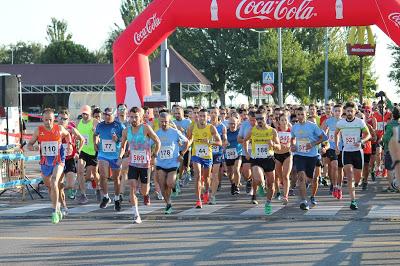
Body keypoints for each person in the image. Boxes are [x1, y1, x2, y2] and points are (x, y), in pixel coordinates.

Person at [27, 108, 72, 224]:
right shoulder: (38, 130)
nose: (48, 122)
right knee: (50, 187)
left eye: (50, 120)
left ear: (54, 119)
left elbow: (68, 135)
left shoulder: (60, 129)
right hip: (45, 162)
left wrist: (70, 145)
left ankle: (55, 211)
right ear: (42, 119)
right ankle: (58, 204)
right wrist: (34, 147)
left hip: (58, 160)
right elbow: (29, 145)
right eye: (46, 120)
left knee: (54, 181)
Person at [120, 107, 160, 224]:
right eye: (131, 117)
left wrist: (154, 155)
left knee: (144, 191)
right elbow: (123, 146)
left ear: (141, 117)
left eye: (136, 117)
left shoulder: (146, 128)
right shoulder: (126, 131)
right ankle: (136, 214)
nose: (133, 119)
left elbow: (157, 141)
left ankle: (146, 195)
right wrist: (120, 156)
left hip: (145, 165)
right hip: (133, 164)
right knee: (132, 187)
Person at [335, 102, 371, 210]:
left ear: (355, 111)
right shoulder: (341, 123)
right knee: (349, 175)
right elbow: (336, 133)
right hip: (346, 152)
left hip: (357, 152)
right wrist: (337, 146)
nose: (349, 113)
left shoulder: (360, 122)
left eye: (351, 111)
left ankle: (357, 183)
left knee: (357, 178)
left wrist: (362, 141)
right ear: (345, 111)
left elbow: (368, 134)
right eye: (348, 111)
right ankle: (353, 201)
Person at [244, 110, 280, 215]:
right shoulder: (252, 130)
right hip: (256, 159)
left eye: (261, 118)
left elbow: (279, 146)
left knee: (271, 184)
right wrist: (246, 152)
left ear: (266, 118)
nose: (259, 120)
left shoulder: (272, 131)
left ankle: (268, 203)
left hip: (269, 158)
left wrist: (273, 144)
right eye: (257, 118)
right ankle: (260, 186)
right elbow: (245, 140)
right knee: (258, 178)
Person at [291, 107, 327, 211]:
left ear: (306, 114)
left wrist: (313, 144)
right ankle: (303, 201)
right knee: (301, 177)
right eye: (298, 115)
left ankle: (310, 191)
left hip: (312, 156)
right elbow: (292, 138)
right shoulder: (294, 127)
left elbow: (324, 138)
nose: (300, 116)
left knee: (311, 179)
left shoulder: (313, 126)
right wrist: (292, 145)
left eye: (302, 114)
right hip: (299, 155)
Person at [187, 109, 222, 208]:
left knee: (206, 178)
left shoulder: (211, 128)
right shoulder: (192, 127)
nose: (202, 118)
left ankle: (206, 191)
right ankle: (198, 200)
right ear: (198, 116)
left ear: (208, 117)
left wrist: (210, 142)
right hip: (196, 155)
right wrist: (185, 147)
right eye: (200, 115)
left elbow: (220, 143)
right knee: (197, 176)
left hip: (207, 156)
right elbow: (189, 139)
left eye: (204, 116)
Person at [155, 112, 189, 214]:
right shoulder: (156, 133)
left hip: (173, 163)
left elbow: (186, 142)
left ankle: (175, 185)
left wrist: (182, 154)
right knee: (162, 185)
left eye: (166, 122)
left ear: (169, 122)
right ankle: (168, 204)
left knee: (169, 183)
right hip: (160, 163)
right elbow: (149, 144)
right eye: (162, 122)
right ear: (159, 122)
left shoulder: (175, 132)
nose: (164, 124)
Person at [95, 107, 125, 211]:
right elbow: (95, 134)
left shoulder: (119, 125)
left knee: (116, 178)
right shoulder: (100, 125)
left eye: (109, 115)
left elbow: (124, 139)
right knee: (103, 176)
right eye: (105, 115)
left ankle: (117, 198)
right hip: (103, 154)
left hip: (115, 155)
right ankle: (106, 197)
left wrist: (117, 139)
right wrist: (95, 143)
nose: (106, 117)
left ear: (113, 115)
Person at [58, 109, 85, 215]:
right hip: (58, 161)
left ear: (68, 120)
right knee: (59, 184)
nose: (62, 120)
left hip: (69, 160)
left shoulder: (71, 129)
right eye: (60, 118)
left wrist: (78, 151)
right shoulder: (54, 129)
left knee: (70, 184)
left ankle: (60, 189)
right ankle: (63, 205)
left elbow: (82, 139)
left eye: (64, 119)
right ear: (57, 119)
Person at [76, 105, 100, 204]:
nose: (84, 115)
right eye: (83, 113)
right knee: (80, 171)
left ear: (90, 113)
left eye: (86, 113)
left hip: (93, 151)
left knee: (93, 174)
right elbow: (77, 136)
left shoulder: (95, 121)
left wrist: (96, 135)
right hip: (82, 150)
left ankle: (98, 188)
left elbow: (99, 133)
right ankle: (83, 194)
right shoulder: (79, 122)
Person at [321, 104, 342, 198]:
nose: (337, 112)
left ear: (342, 112)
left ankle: (339, 186)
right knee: (333, 166)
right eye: (336, 110)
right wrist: (324, 145)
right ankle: (333, 185)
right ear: (333, 112)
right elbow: (322, 134)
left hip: (342, 147)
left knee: (340, 168)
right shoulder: (328, 121)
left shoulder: (344, 121)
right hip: (331, 147)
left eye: (339, 110)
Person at [209, 107, 227, 204]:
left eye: (215, 113)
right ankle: (206, 192)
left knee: (215, 175)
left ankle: (213, 196)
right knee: (208, 176)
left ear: (218, 114)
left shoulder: (222, 126)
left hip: (217, 153)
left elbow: (224, 140)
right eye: (211, 113)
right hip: (206, 153)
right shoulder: (206, 126)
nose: (213, 114)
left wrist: (224, 142)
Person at [274, 113, 292, 205]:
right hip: (277, 155)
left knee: (286, 176)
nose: (284, 122)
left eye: (285, 120)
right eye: (282, 120)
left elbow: (294, 141)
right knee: (279, 176)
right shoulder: (276, 131)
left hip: (287, 155)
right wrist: (279, 145)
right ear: (279, 122)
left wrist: (289, 145)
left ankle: (285, 196)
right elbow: (274, 142)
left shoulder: (291, 130)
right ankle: (280, 185)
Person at [238, 111, 257, 195]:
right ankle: (249, 181)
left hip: (258, 153)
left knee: (255, 172)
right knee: (246, 173)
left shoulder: (261, 126)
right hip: (246, 152)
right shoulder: (244, 125)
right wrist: (246, 141)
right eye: (251, 120)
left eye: (254, 120)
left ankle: (254, 189)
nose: (253, 122)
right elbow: (239, 139)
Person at [225, 116, 242, 200]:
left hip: (238, 153)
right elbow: (222, 142)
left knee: (236, 169)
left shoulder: (239, 132)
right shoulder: (226, 133)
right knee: (229, 172)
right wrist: (225, 144)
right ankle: (232, 184)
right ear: (228, 124)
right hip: (228, 154)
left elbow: (244, 140)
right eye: (231, 124)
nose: (232, 125)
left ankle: (236, 186)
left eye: (234, 123)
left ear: (237, 123)